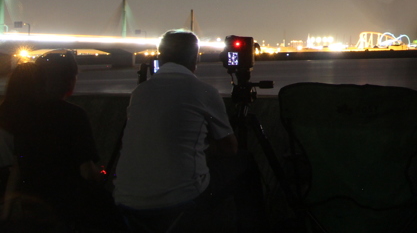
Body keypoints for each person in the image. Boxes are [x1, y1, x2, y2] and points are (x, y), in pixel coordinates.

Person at [114, 30, 262, 229]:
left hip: (126, 201)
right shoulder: (203, 91)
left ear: (160, 57)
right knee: (245, 163)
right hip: (180, 199)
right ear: (195, 59)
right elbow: (230, 148)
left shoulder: (139, 92)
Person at [4, 50, 120, 230]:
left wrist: (6, 211)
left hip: (33, 206)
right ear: (70, 80)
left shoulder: (26, 113)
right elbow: (86, 171)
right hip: (68, 208)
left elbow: (18, 167)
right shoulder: (74, 115)